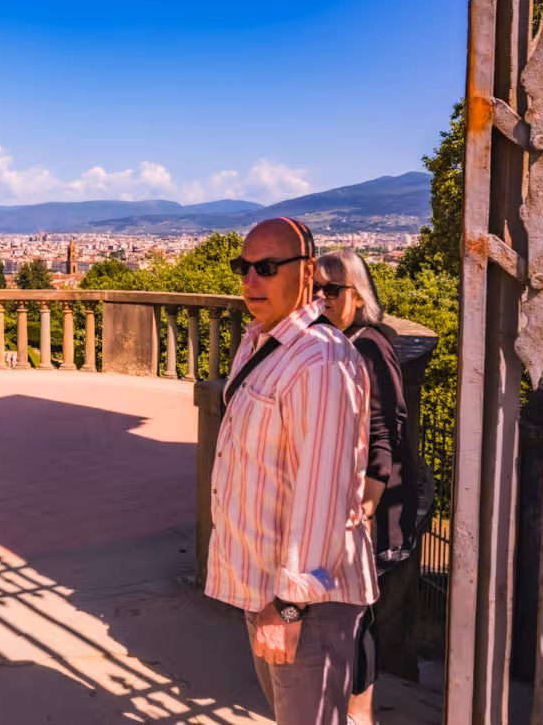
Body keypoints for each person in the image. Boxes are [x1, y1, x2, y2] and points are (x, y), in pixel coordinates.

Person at [207, 217, 377, 725]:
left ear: (306, 273)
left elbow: (325, 499)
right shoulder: (263, 341)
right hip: (271, 594)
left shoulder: (321, 361)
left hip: (306, 603)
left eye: (266, 267)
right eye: (244, 267)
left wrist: (287, 608)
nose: (250, 280)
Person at [315, 250, 425, 724]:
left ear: (356, 297)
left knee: (358, 615)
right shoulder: (338, 341)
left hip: (374, 508)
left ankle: (359, 713)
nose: (320, 297)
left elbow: (386, 425)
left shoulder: (368, 346)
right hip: (360, 502)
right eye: (313, 289)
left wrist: (370, 497)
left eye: (331, 290)